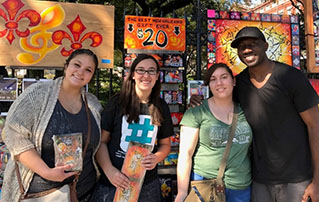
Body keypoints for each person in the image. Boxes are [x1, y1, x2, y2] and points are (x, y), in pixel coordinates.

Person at [190, 26, 319, 202]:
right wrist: (195, 102)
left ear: (266, 46)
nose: (247, 49)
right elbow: (216, 101)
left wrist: (318, 182)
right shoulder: (239, 84)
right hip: (259, 181)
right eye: (242, 47)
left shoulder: (290, 77)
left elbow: (315, 127)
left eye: (253, 44)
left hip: (297, 180)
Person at [1, 49, 103, 202]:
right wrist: (46, 172)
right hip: (41, 193)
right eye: (77, 65)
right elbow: (13, 133)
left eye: (88, 70)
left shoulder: (94, 105)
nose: (80, 72)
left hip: (83, 193)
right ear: (66, 66)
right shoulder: (37, 95)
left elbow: (100, 143)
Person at [91, 54, 173, 202]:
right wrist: (110, 172)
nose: (146, 75)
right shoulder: (117, 103)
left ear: (157, 76)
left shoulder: (161, 106)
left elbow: (165, 144)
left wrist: (156, 157)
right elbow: (101, 142)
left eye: (151, 71)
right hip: (114, 181)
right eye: (141, 70)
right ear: (133, 75)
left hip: (146, 183)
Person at [176, 63, 252, 202]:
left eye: (224, 77)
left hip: (241, 187)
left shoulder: (246, 111)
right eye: (213, 79)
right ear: (208, 85)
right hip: (205, 185)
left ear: (233, 81)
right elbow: (185, 154)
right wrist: (181, 193)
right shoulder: (197, 111)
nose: (219, 83)